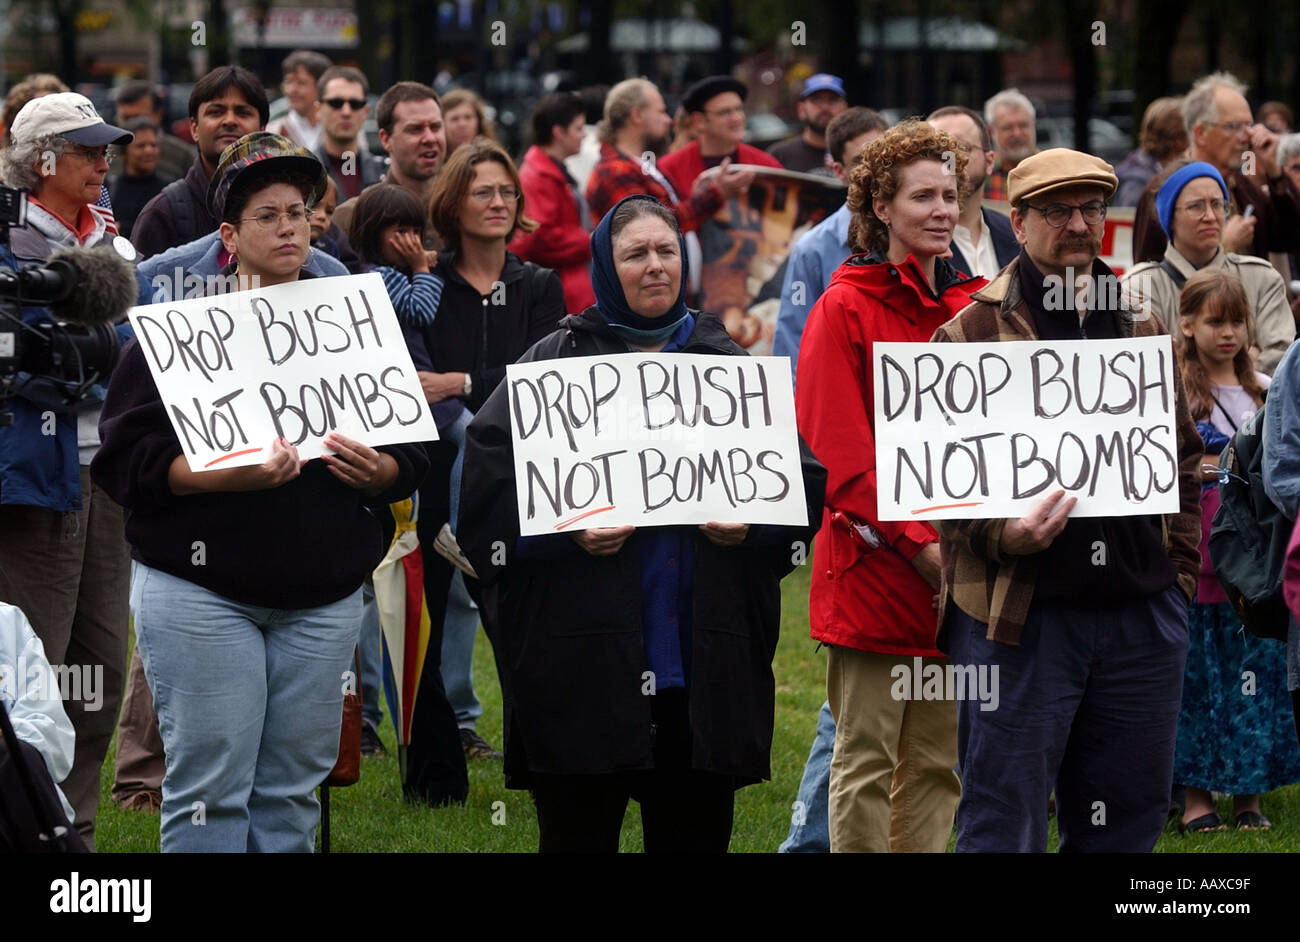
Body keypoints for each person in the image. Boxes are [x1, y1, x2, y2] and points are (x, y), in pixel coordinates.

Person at [91, 132, 429, 852]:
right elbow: (126, 463)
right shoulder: (186, 333)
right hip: (201, 590)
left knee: (290, 792)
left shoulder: (355, 322)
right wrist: (223, 473)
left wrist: (386, 473)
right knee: (211, 790)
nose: (288, 228)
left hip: (325, 594)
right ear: (228, 236)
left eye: (299, 212)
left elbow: (412, 445)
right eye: (267, 215)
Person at [458, 194, 826, 852]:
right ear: (606, 265)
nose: (654, 266)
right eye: (635, 254)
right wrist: (561, 532)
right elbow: (484, 506)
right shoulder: (553, 363)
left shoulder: (728, 366)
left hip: (699, 668)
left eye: (665, 251)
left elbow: (801, 488)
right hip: (581, 666)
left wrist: (751, 527)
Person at [932, 148, 1202, 852]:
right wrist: (1002, 534)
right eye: (1057, 211)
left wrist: (1177, 577)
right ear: (1017, 222)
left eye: (1089, 209)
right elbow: (940, 483)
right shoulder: (968, 333)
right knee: (1002, 821)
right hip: (1018, 620)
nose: (1078, 224)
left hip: (1141, 619)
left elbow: (1183, 460)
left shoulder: (1142, 326)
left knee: (1126, 823)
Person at [796, 120, 986, 853]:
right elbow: (841, 459)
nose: (942, 210)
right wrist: (921, 551)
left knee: (939, 763)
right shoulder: (842, 309)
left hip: (965, 567)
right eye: (922, 197)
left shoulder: (977, 308)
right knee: (868, 757)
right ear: (881, 208)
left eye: (950, 194)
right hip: (877, 569)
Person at [400, 137, 566, 787]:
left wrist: (462, 382)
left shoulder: (539, 285)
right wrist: (452, 385)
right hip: (437, 480)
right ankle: (435, 777)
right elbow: (413, 382)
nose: (499, 203)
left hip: (522, 484)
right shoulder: (428, 286)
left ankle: (540, 764)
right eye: (483, 192)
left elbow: (542, 381)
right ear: (453, 203)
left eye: (507, 193)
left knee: (523, 629)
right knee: (424, 633)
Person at [0, 92, 137, 851]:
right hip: (33, 477)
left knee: (100, 671)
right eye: (86, 148)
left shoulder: (112, 238)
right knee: (33, 667)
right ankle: (22, 823)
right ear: (42, 159)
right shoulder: (7, 240)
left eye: (104, 147)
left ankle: (69, 829)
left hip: (104, 472)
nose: (103, 159)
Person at [1169, 267, 1300, 833]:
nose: (1228, 333)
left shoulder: (1266, 391)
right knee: (1198, 681)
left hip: (1254, 567)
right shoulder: (1177, 391)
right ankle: (1196, 798)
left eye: (1237, 321)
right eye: (1215, 321)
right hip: (1198, 565)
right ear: (1188, 324)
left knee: (1254, 677)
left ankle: (1249, 796)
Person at [1122, 161, 1293, 374]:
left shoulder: (1262, 278)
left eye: (1217, 204)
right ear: (1169, 217)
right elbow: (1144, 371)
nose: (1211, 217)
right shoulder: (1140, 287)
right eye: (1196, 206)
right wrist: (1242, 364)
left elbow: (1282, 358)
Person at [1132, 72, 1300, 264]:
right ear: (1201, 133)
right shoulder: (1164, 188)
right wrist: (1224, 245)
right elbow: (1148, 276)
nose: (1247, 136)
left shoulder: (1242, 185)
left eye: (1249, 125)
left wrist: (1274, 172)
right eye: (1234, 126)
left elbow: (1291, 237)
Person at [773, 107, 887, 367]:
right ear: (839, 171)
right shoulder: (812, 248)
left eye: (881, 157)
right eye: (860, 161)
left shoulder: (917, 231)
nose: (873, 170)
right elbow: (793, 338)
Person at [131, 66, 268, 259]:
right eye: (216, 112)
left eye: (243, 113)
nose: (229, 120)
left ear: (262, 130)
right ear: (194, 128)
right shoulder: (162, 215)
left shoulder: (288, 213)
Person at [586, 78, 751, 234]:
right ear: (636, 116)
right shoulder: (615, 171)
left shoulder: (644, 164)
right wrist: (715, 195)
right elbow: (651, 229)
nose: (668, 120)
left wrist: (698, 197)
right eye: (661, 112)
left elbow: (669, 214)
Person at [333, 82, 445, 247]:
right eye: (415, 129)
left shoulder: (467, 211)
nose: (429, 138)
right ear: (385, 139)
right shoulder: (353, 217)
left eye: (435, 127)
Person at [512, 92, 597, 313]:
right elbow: (540, 237)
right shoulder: (538, 176)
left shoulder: (548, 170)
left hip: (567, 289)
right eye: (579, 128)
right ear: (558, 132)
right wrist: (591, 241)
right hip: (562, 296)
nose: (585, 135)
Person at [1, 601, 77, 825]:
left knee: (17, 758)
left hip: (13, 803)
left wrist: (8, 741)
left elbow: (49, 727)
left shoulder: (8, 622)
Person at [657, 75, 781, 207]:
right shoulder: (669, 169)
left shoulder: (766, 166)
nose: (737, 118)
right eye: (725, 112)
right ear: (699, 121)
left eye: (739, 109)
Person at [927, 106, 1020, 279]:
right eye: (936, 151)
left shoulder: (1015, 234)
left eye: (962, 148)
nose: (950, 160)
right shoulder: (914, 243)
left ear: (990, 161)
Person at [312, 66, 386, 203]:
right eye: (336, 103)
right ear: (318, 110)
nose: (346, 112)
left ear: (365, 112)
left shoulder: (385, 173)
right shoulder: (302, 174)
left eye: (355, 104)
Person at [113, 80, 196, 182]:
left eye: (138, 118)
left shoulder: (181, 155)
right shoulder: (106, 155)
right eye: (125, 118)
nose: (131, 124)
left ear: (158, 115)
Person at [1113, 97, 1188, 207]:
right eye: (1190, 130)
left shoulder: (1149, 170)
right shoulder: (1136, 183)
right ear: (1179, 139)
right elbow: (1129, 221)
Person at [767, 73, 849, 175]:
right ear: (801, 109)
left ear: (845, 109)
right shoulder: (779, 155)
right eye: (817, 100)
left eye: (833, 100)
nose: (825, 107)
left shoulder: (856, 155)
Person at [108, 116, 167, 238]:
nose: (149, 151)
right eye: (141, 146)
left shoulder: (169, 190)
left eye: (153, 145)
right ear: (124, 153)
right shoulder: (108, 189)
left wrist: (123, 228)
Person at [266, 49, 333, 151]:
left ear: (321, 87)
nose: (292, 90)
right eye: (288, 82)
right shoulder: (272, 133)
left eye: (301, 83)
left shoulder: (337, 129)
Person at [983, 88, 1039, 202]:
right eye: (1008, 127)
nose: (1017, 134)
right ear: (990, 132)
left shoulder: (1051, 170)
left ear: (1034, 125)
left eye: (1023, 125)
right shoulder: (981, 175)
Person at [441, 88, 494, 155]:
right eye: (455, 119)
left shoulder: (493, 160)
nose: (462, 124)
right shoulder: (434, 163)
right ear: (442, 124)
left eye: (468, 117)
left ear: (479, 122)